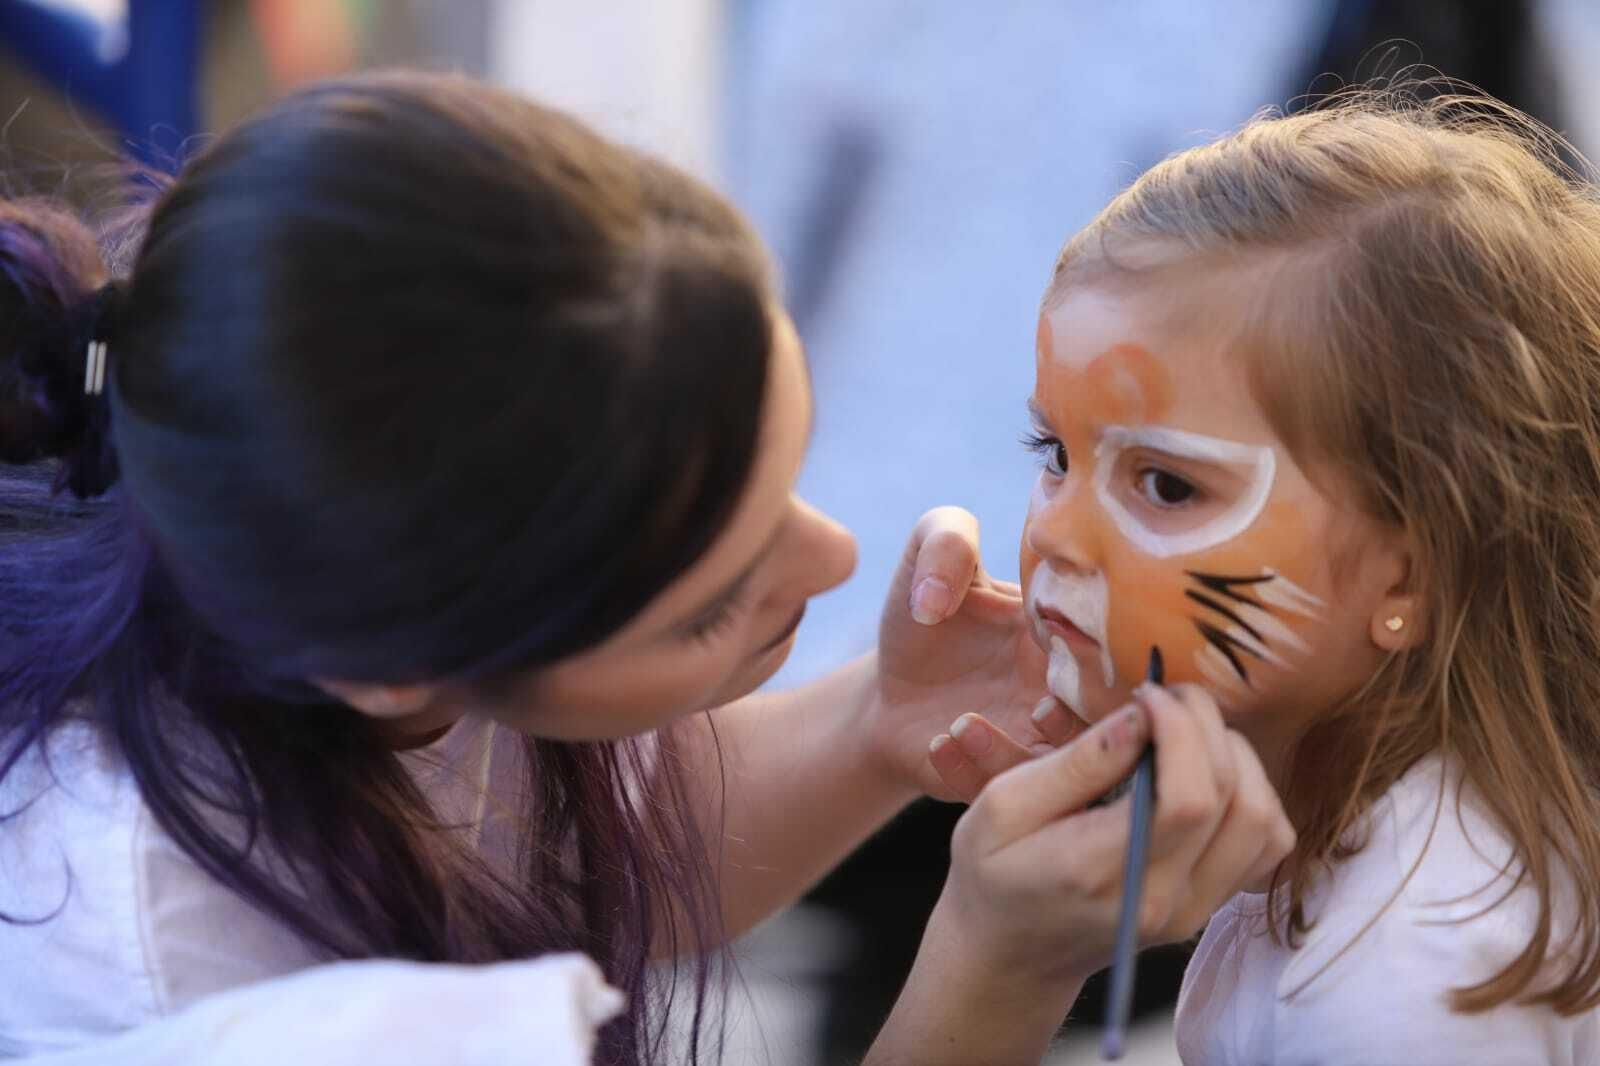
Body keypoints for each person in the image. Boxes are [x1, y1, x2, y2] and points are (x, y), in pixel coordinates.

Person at [0, 71, 1292, 1064]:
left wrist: (881, 719)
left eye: (783, 482)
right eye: (712, 598)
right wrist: (997, 970)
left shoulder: (298, 578)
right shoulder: (192, 979)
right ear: (396, 666)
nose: (837, 555)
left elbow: (553, 849)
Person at [933, 87, 1600, 1063]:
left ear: (1407, 575)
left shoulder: (1403, 981)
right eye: (1055, 453)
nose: (1056, 536)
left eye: (1164, 483)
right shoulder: (1361, 836)